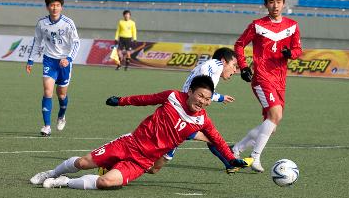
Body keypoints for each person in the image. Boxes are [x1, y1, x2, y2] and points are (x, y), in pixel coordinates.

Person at [30, 76, 249, 190]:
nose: (203, 101)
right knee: (83, 163)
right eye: (200, 96)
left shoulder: (203, 121)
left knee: (106, 182)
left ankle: (64, 182)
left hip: (143, 161)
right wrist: (121, 101)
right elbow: (146, 99)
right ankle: (50, 174)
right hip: (130, 143)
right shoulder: (172, 96)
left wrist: (231, 159)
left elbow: (218, 140)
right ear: (190, 92)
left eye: (208, 98)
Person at [232, 0, 302, 172]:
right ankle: (254, 157)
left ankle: (237, 148)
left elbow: (298, 50)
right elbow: (239, 45)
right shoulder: (257, 25)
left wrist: (291, 53)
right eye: (271, 2)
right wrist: (244, 66)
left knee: (271, 126)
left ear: (284, 3)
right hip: (262, 77)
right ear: (265, 4)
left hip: (280, 80)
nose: (275, 6)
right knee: (275, 115)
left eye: (278, 2)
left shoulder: (292, 26)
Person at [149, 47, 240, 175]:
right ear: (224, 61)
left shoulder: (213, 70)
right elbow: (204, 87)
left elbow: (205, 90)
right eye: (234, 65)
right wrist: (218, 97)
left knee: (154, 168)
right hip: (182, 116)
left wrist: (219, 97)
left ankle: (230, 163)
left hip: (186, 113)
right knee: (211, 138)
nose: (235, 70)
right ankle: (231, 162)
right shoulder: (216, 65)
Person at [26, 0, 80, 136]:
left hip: (64, 63)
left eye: (57, 5)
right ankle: (47, 126)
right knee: (47, 91)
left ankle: (62, 115)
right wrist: (31, 60)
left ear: (61, 7)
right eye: (52, 5)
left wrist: (69, 58)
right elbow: (37, 41)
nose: (54, 8)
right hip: (49, 60)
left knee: (61, 96)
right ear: (47, 7)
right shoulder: (42, 23)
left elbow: (76, 42)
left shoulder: (68, 23)